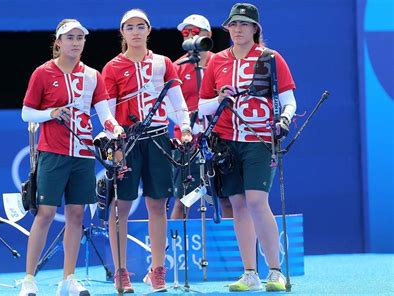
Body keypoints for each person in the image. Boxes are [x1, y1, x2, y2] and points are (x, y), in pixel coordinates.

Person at [18, 19, 124, 296]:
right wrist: (51, 113)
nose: (75, 42)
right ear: (58, 42)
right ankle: (29, 279)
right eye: (70, 37)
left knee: (76, 215)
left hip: (84, 154)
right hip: (52, 153)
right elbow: (26, 114)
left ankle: (68, 278)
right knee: (45, 214)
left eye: (80, 38)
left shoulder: (93, 76)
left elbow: (105, 114)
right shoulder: (42, 73)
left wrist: (115, 128)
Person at [199, 3, 296, 292]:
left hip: (258, 139)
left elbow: (289, 100)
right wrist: (220, 99)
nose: (238, 29)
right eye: (233, 24)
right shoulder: (216, 61)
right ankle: (250, 272)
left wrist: (284, 120)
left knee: (256, 201)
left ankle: (275, 271)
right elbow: (201, 106)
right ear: (227, 28)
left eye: (244, 24)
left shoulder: (270, 58)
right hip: (227, 142)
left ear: (255, 28)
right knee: (238, 205)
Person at [102, 8, 192, 293]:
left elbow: (178, 103)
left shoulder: (164, 63)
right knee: (121, 207)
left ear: (149, 30)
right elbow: (105, 110)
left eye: (141, 26)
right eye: (130, 27)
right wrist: (114, 139)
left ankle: (157, 271)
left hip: (157, 138)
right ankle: (121, 273)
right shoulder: (112, 67)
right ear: (122, 32)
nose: (136, 32)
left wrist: (186, 127)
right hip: (126, 141)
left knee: (157, 204)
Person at [170, 14, 233, 220]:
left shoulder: (223, 62)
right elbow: (165, 105)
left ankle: (236, 248)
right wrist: (186, 124)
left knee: (228, 198)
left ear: (208, 35)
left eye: (195, 32)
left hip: (220, 138)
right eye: (186, 33)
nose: (190, 36)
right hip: (188, 141)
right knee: (183, 200)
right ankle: (175, 251)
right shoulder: (176, 67)